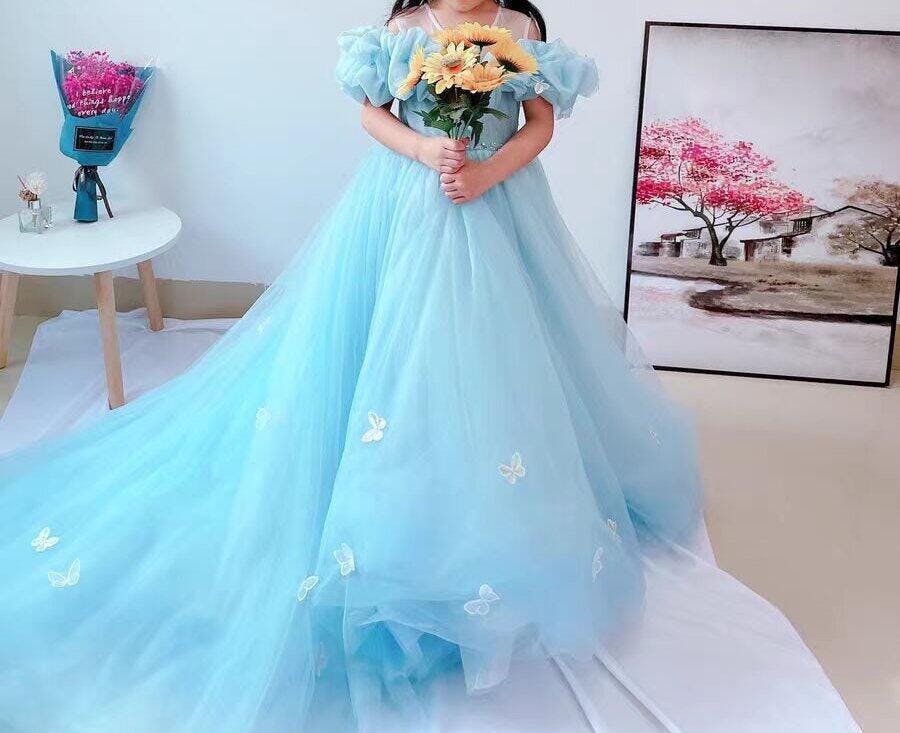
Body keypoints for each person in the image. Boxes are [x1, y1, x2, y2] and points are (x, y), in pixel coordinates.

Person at [0, 2, 712, 731]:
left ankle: (487, 498)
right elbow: (372, 115)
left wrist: (489, 171)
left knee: (499, 354)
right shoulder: (405, 28)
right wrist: (423, 151)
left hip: (496, 203)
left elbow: (538, 124)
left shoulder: (520, 27)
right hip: (405, 202)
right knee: (395, 346)